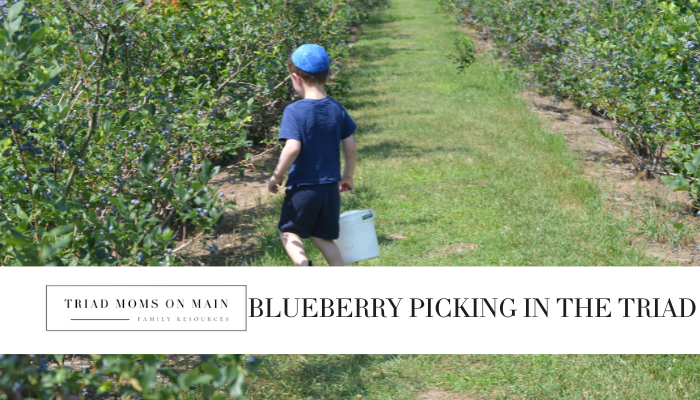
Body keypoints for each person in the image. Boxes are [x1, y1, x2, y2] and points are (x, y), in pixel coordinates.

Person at [268, 44, 358, 266]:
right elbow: (351, 147)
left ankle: (304, 266)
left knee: (289, 231)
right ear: (326, 75)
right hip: (329, 188)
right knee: (321, 235)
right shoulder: (337, 109)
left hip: (303, 187)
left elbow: (292, 148)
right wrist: (347, 176)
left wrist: (276, 176)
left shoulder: (294, 111)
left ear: (296, 78)